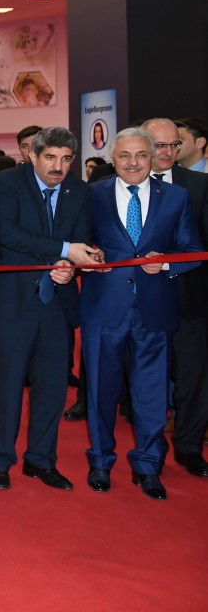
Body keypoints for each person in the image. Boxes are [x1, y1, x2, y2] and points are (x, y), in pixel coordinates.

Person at [81, 127, 202, 500]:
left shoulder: (176, 197)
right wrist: (89, 257)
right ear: (113, 159)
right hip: (105, 307)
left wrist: (165, 263)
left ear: (154, 158)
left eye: (140, 155)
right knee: (101, 390)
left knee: (152, 393)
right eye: (124, 155)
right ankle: (101, 461)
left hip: (155, 308)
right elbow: (79, 242)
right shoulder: (92, 194)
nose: (132, 163)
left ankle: (148, 465)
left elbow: (192, 249)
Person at [0, 127, 97, 492]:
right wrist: (64, 251)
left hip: (56, 303)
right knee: (7, 386)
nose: (57, 167)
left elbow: (81, 240)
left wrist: (68, 265)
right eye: (50, 157)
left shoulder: (79, 191)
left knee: (52, 388)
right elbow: (7, 234)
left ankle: (41, 460)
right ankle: (0, 460)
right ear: (32, 155)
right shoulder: (8, 183)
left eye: (65, 159)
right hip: (12, 302)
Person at [140, 118, 208, 478]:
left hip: (188, 297)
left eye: (173, 145)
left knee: (194, 378)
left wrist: (170, 264)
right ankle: (148, 450)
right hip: (138, 299)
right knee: (145, 379)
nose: (167, 152)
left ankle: (189, 446)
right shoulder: (117, 182)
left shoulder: (199, 185)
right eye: (159, 145)